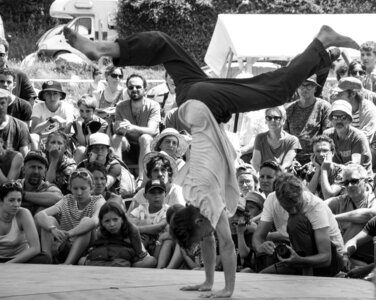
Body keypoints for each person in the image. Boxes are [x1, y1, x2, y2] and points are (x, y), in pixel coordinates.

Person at [64, 25, 359, 297]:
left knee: (277, 89)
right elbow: (211, 243)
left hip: (205, 103)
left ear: (196, 224)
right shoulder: (195, 203)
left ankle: (322, 40)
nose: (206, 239)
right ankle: (106, 49)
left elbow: (227, 247)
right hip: (190, 94)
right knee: (163, 44)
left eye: (198, 236)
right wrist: (206, 282)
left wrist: (228, 289)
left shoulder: (205, 202)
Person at [252, 173, 345, 276]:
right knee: (262, 278)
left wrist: (300, 260)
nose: (293, 210)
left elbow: (326, 258)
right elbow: (258, 236)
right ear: (278, 199)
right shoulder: (271, 200)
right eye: (288, 207)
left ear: (301, 193)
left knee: (296, 220)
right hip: (299, 258)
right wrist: (260, 246)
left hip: (332, 260)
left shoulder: (315, 206)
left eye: (296, 204)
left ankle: (306, 278)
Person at [35, 169, 106, 264]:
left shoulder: (98, 200)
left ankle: (67, 264)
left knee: (86, 222)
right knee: (48, 221)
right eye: (75, 189)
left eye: (83, 188)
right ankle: (47, 260)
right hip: (64, 245)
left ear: (91, 188)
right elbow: (40, 215)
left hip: (87, 249)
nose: (79, 192)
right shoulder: (67, 199)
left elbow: (94, 221)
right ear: (70, 188)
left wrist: (68, 234)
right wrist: (52, 229)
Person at [112, 74, 161, 183]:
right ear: (127, 90)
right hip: (129, 147)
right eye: (131, 87)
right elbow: (116, 128)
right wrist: (121, 130)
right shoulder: (120, 106)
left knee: (145, 138)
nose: (134, 89)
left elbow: (152, 130)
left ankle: (142, 179)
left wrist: (132, 127)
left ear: (145, 89)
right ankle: (118, 178)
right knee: (116, 138)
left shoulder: (154, 106)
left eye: (138, 87)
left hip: (150, 147)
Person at [325, 164, 376, 267]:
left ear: (365, 181)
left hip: (368, 255)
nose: (349, 185)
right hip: (346, 253)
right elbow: (318, 206)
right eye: (346, 182)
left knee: (358, 223)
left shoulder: (372, 200)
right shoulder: (340, 201)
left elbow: (370, 214)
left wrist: (334, 217)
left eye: (354, 181)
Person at [80, 201, 156, 267]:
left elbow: (139, 254)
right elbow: (97, 250)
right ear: (102, 223)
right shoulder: (100, 232)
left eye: (115, 219)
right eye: (107, 221)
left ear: (122, 219)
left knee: (151, 261)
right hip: (104, 259)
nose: (112, 224)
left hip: (122, 259)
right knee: (81, 260)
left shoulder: (132, 230)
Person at [284, 75, 331, 165]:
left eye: (309, 85)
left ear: (315, 88)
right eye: (301, 85)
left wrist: (318, 159)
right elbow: (285, 137)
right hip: (293, 159)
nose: (304, 89)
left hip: (317, 158)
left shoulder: (324, 107)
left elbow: (327, 137)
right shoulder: (289, 109)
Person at [0, 181, 50, 263]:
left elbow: (35, 248)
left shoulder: (23, 213)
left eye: (19, 200)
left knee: (44, 258)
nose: (16, 204)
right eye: (11, 200)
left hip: (20, 259)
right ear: (1, 201)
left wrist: (8, 264)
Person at [323, 100, 372, 174]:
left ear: (350, 119)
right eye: (335, 117)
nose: (339, 120)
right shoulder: (327, 135)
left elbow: (356, 169)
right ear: (331, 119)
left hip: (359, 178)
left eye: (343, 117)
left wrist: (332, 166)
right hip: (336, 175)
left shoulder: (358, 138)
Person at [129, 179, 170, 267]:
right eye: (153, 193)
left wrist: (137, 229)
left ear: (165, 194)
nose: (157, 196)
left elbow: (160, 226)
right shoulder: (141, 208)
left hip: (157, 246)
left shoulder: (167, 210)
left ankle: (156, 266)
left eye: (160, 192)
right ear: (145, 195)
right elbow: (129, 222)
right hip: (140, 245)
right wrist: (148, 228)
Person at [252, 106, 301, 172]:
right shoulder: (260, 138)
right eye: (269, 118)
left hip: (282, 177)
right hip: (263, 177)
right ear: (266, 121)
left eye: (276, 118)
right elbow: (256, 164)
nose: (272, 121)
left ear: (283, 120)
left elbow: (286, 165)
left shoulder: (292, 140)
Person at [30, 81, 74, 150]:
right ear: (44, 96)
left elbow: (67, 131)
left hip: (60, 141)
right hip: (42, 141)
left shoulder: (67, 107)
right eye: (48, 94)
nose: (52, 97)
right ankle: (37, 158)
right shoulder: (38, 107)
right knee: (33, 137)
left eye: (55, 93)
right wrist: (51, 120)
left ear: (61, 96)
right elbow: (33, 130)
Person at [18, 151, 63, 216]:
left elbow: (59, 198)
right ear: (23, 169)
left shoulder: (48, 187)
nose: (36, 171)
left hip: (38, 224)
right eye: (32, 167)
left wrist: (23, 194)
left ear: (45, 172)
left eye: (40, 168)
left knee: (43, 209)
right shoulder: (16, 184)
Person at [302, 135, 343, 200]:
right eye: (318, 151)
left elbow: (328, 196)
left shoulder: (341, 170)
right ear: (313, 154)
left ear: (332, 152)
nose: (321, 154)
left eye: (325, 150)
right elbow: (307, 196)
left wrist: (324, 170)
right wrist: (318, 170)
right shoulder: (307, 169)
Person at [72, 94, 108, 163]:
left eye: (88, 111)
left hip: (98, 151)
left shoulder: (102, 123)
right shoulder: (77, 122)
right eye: (81, 111)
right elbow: (82, 143)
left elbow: (92, 143)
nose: (84, 114)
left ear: (94, 111)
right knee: (81, 150)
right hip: (82, 152)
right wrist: (79, 126)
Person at [0, 38, 36, 104]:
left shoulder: (19, 75)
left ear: (6, 55)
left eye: (0, 55)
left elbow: (30, 98)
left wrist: (23, 112)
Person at [44, 131, 77, 195]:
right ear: (47, 147)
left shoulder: (70, 164)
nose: (56, 145)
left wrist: (54, 159)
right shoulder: (40, 158)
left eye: (59, 143)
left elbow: (48, 187)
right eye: (53, 142)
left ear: (65, 148)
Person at [0, 89, 30, 157]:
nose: (0, 107)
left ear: (8, 103)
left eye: (2, 103)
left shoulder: (20, 126)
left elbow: (24, 158)